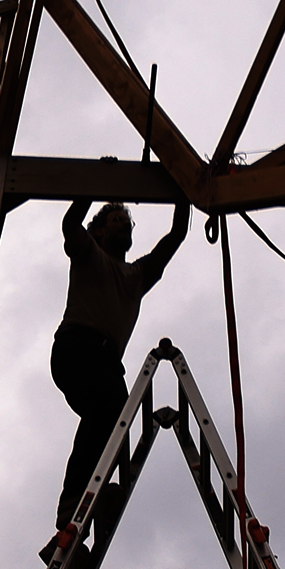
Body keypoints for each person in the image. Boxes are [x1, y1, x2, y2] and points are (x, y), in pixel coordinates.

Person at [46, 195, 189, 551]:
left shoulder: (136, 275)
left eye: (127, 223)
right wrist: (94, 186)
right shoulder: (87, 252)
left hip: (107, 363)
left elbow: (176, 236)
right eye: (115, 221)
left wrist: (184, 195)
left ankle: (84, 513)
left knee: (113, 424)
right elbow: (70, 224)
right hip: (77, 347)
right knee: (110, 409)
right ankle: (73, 509)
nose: (124, 225)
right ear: (97, 231)